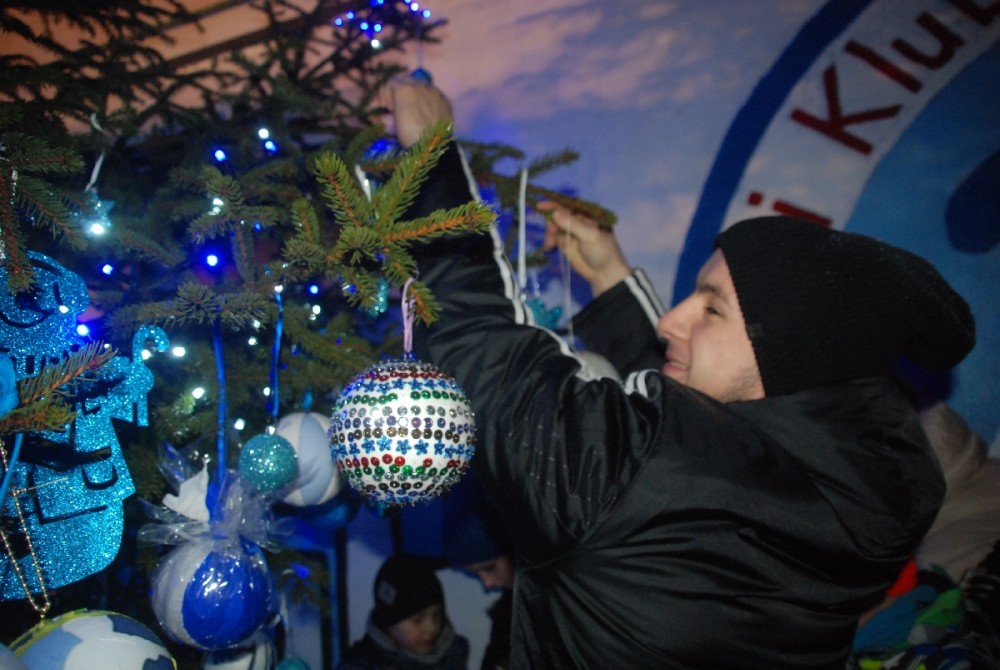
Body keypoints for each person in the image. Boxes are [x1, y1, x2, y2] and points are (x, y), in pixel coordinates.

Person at [386, 78, 977, 668]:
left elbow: (485, 355)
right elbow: (702, 441)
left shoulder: (644, 477)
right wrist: (615, 282)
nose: (672, 319)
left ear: (791, 359)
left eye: (711, 309)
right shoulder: (865, 488)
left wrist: (430, 158)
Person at [338, 553, 470, 670]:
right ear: (389, 623)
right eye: (417, 620)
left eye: (437, 615)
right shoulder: (361, 665)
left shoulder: (452, 656)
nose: (432, 627)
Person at [441, 476, 515, 670]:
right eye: (477, 574)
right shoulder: (508, 618)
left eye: (490, 567)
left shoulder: (567, 602)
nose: (487, 583)